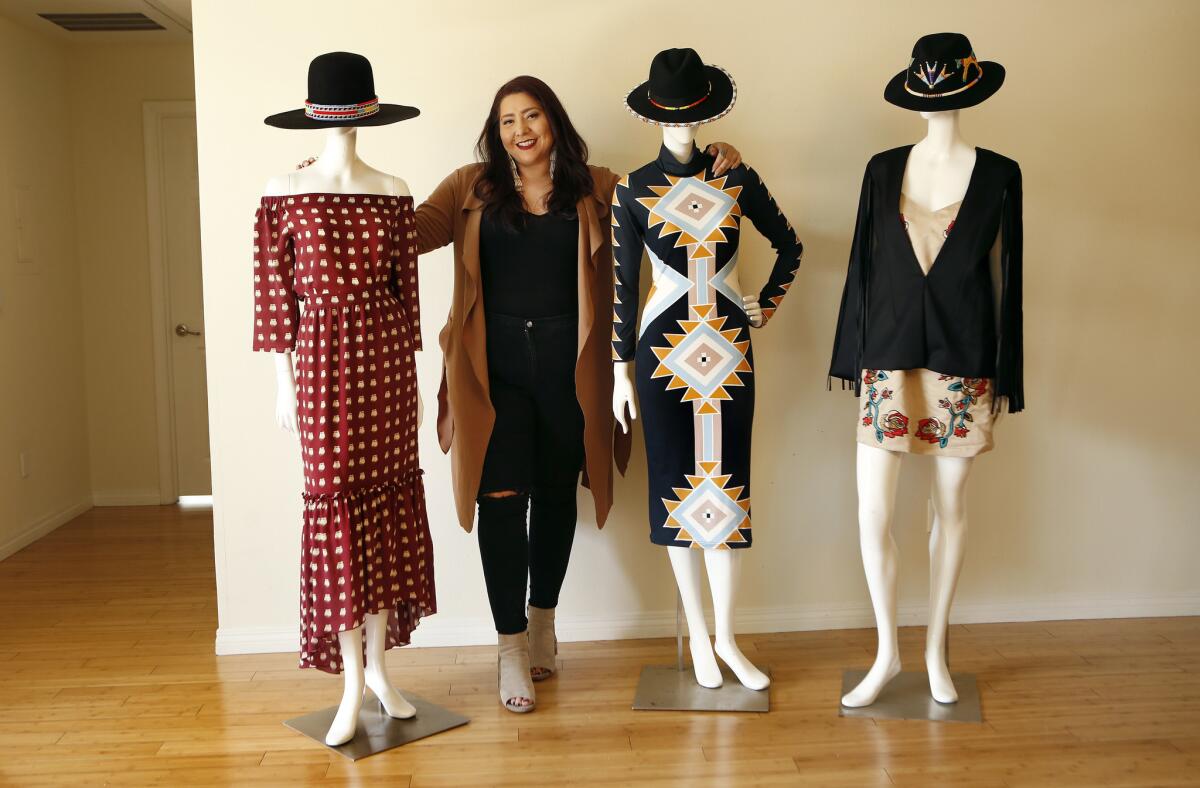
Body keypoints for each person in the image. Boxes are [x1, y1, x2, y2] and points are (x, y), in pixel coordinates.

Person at [413, 75, 741, 712]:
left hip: (574, 366)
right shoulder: (469, 187)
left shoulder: (599, 185)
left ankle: (543, 626)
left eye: (531, 115)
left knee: (557, 493)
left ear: (554, 121)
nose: (521, 130)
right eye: (507, 121)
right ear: (495, 132)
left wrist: (718, 158)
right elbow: (414, 231)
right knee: (502, 498)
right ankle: (509, 647)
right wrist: (339, 188)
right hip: (493, 368)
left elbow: (668, 200)